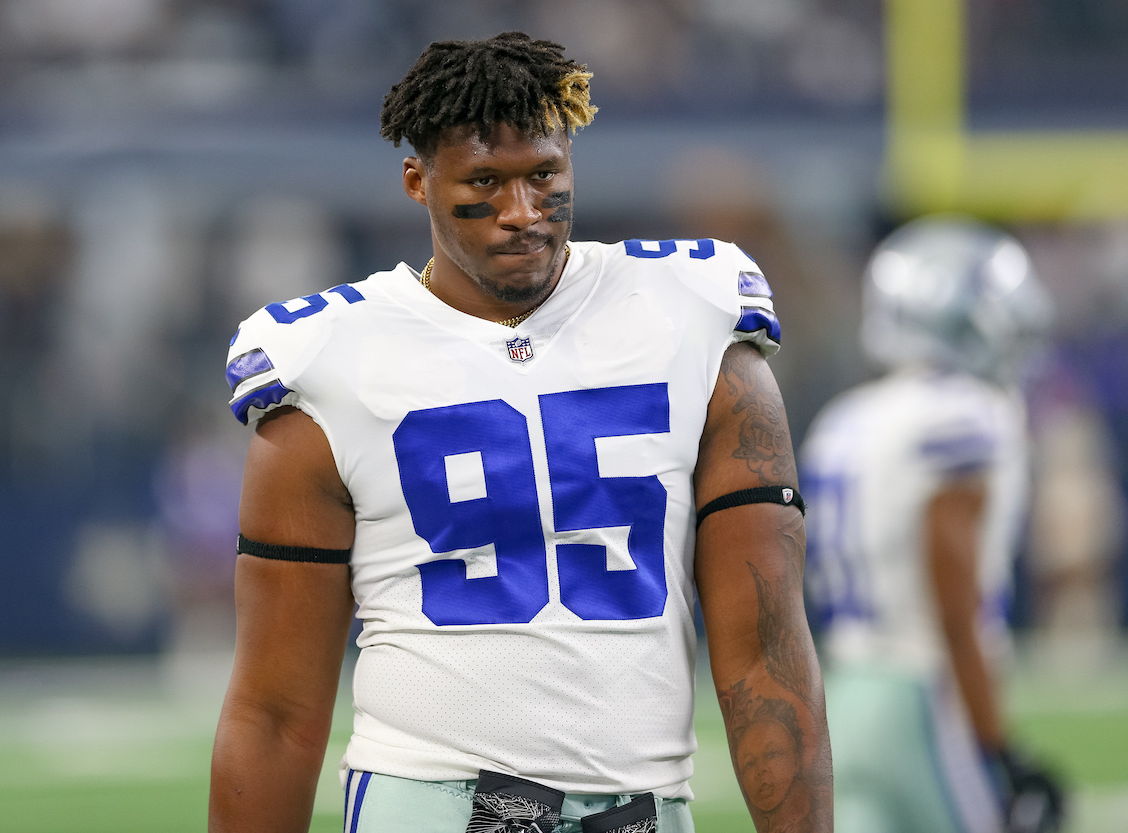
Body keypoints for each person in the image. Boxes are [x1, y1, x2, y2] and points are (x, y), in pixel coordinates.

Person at [209, 31, 831, 833]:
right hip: (431, 798)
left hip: (643, 807)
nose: (522, 213)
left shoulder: (692, 316)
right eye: (485, 182)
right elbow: (274, 707)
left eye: (544, 176)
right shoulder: (328, 360)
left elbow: (768, 651)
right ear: (417, 183)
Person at [800, 215, 1067, 833]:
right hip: (923, 694)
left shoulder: (846, 419)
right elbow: (955, 606)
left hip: (844, 694)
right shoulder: (967, 417)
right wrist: (1002, 748)